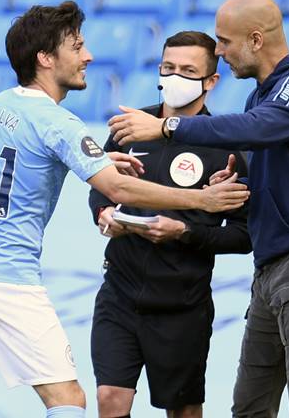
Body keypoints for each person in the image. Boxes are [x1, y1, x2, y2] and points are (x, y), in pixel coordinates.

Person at [0, 1, 249, 418]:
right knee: (70, 401)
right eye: (77, 46)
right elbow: (110, 186)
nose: (88, 56)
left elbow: (30, 157)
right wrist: (201, 200)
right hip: (8, 280)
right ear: (45, 58)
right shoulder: (60, 124)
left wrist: (94, 162)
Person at [108, 0, 289, 418]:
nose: (218, 52)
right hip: (275, 263)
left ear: (256, 40)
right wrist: (241, 181)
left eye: (224, 41)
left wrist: (168, 127)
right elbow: (282, 159)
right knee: (249, 407)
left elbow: (258, 128)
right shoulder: (265, 94)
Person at [88, 31, 252, 418]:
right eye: (168, 68)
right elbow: (102, 186)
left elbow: (244, 235)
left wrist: (185, 232)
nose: (175, 77)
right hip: (119, 293)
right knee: (110, 398)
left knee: (183, 410)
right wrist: (102, 213)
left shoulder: (225, 143)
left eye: (188, 70)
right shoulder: (129, 127)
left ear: (211, 81)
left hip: (181, 304)